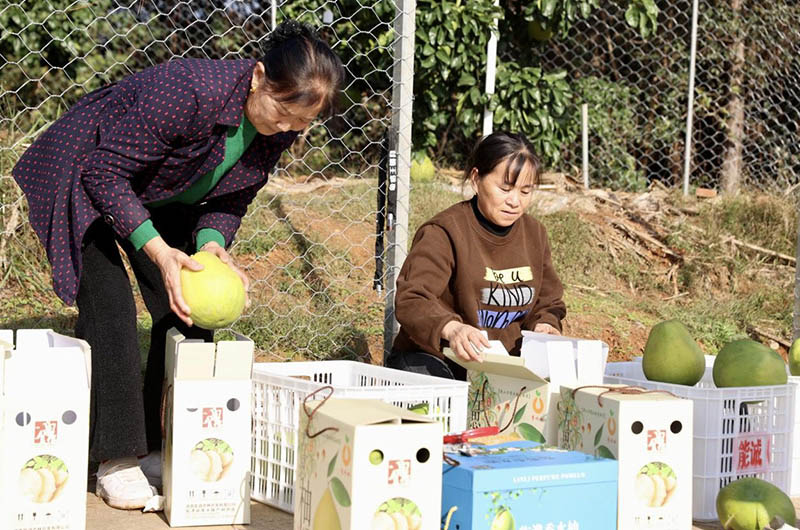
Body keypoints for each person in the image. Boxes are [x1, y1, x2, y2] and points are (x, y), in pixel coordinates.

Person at [12, 20, 344, 509]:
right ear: (256, 76)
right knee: (111, 309)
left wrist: (209, 245)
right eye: (283, 112)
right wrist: (159, 249)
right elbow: (103, 173)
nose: (289, 128)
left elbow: (233, 196)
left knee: (187, 309)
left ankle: (155, 445)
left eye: (302, 122)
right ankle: (115, 459)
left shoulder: (278, 127)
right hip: (87, 172)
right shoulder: (188, 90)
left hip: (158, 188)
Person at [386, 131, 566, 380]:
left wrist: (545, 323)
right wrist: (453, 328)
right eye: (505, 188)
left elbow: (549, 302)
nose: (515, 201)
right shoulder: (445, 231)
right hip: (437, 361)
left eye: (525, 191)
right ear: (476, 179)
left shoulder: (535, 234)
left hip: (499, 368)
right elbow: (412, 299)